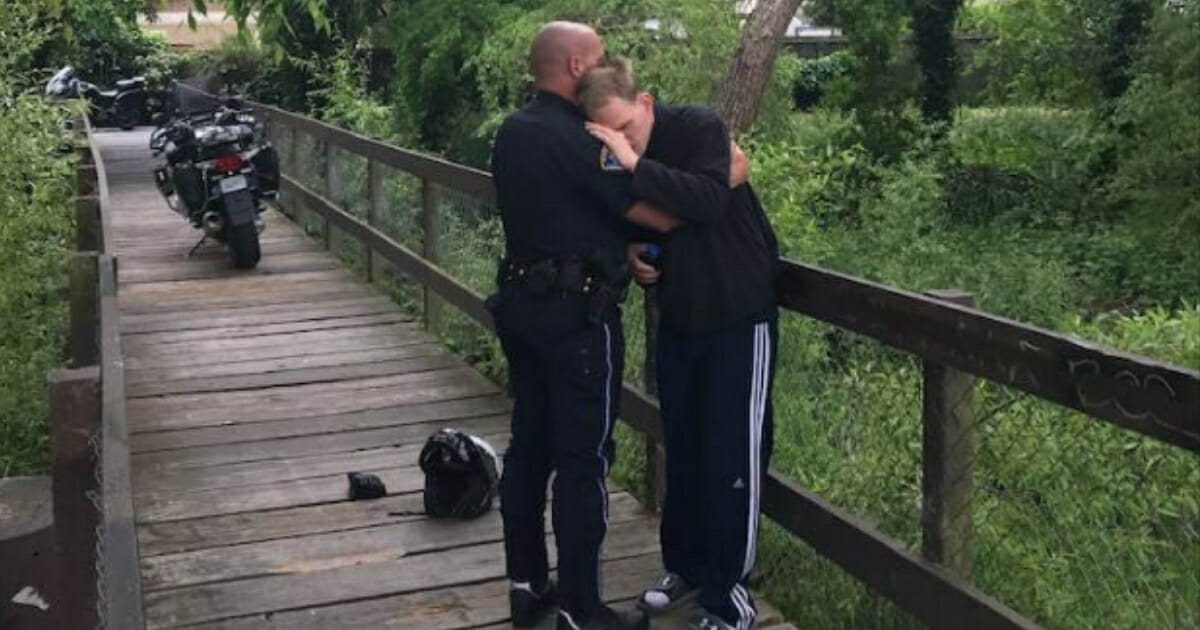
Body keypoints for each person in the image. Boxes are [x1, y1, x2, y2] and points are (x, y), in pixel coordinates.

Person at [577, 58, 780, 630]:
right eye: (607, 133)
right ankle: (686, 567)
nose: (620, 141)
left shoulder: (696, 128)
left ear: (644, 103)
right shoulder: (610, 154)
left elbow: (709, 199)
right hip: (680, 318)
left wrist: (634, 162)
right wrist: (631, 249)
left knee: (732, 457)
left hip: (738, 314)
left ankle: (729, 597)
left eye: (627, 126)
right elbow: (623, 212)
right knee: (684, 449)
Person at [487, 22, 671, 630]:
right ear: (572, 67)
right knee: (583, 460)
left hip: (521, 307)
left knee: (529, 449)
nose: (603, 68)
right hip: (576, 318)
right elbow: (643, 208)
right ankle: (583, 607)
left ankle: (525, 586)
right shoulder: (580, 137)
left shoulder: (512, 132)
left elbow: (559, 209)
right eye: (595, 60)